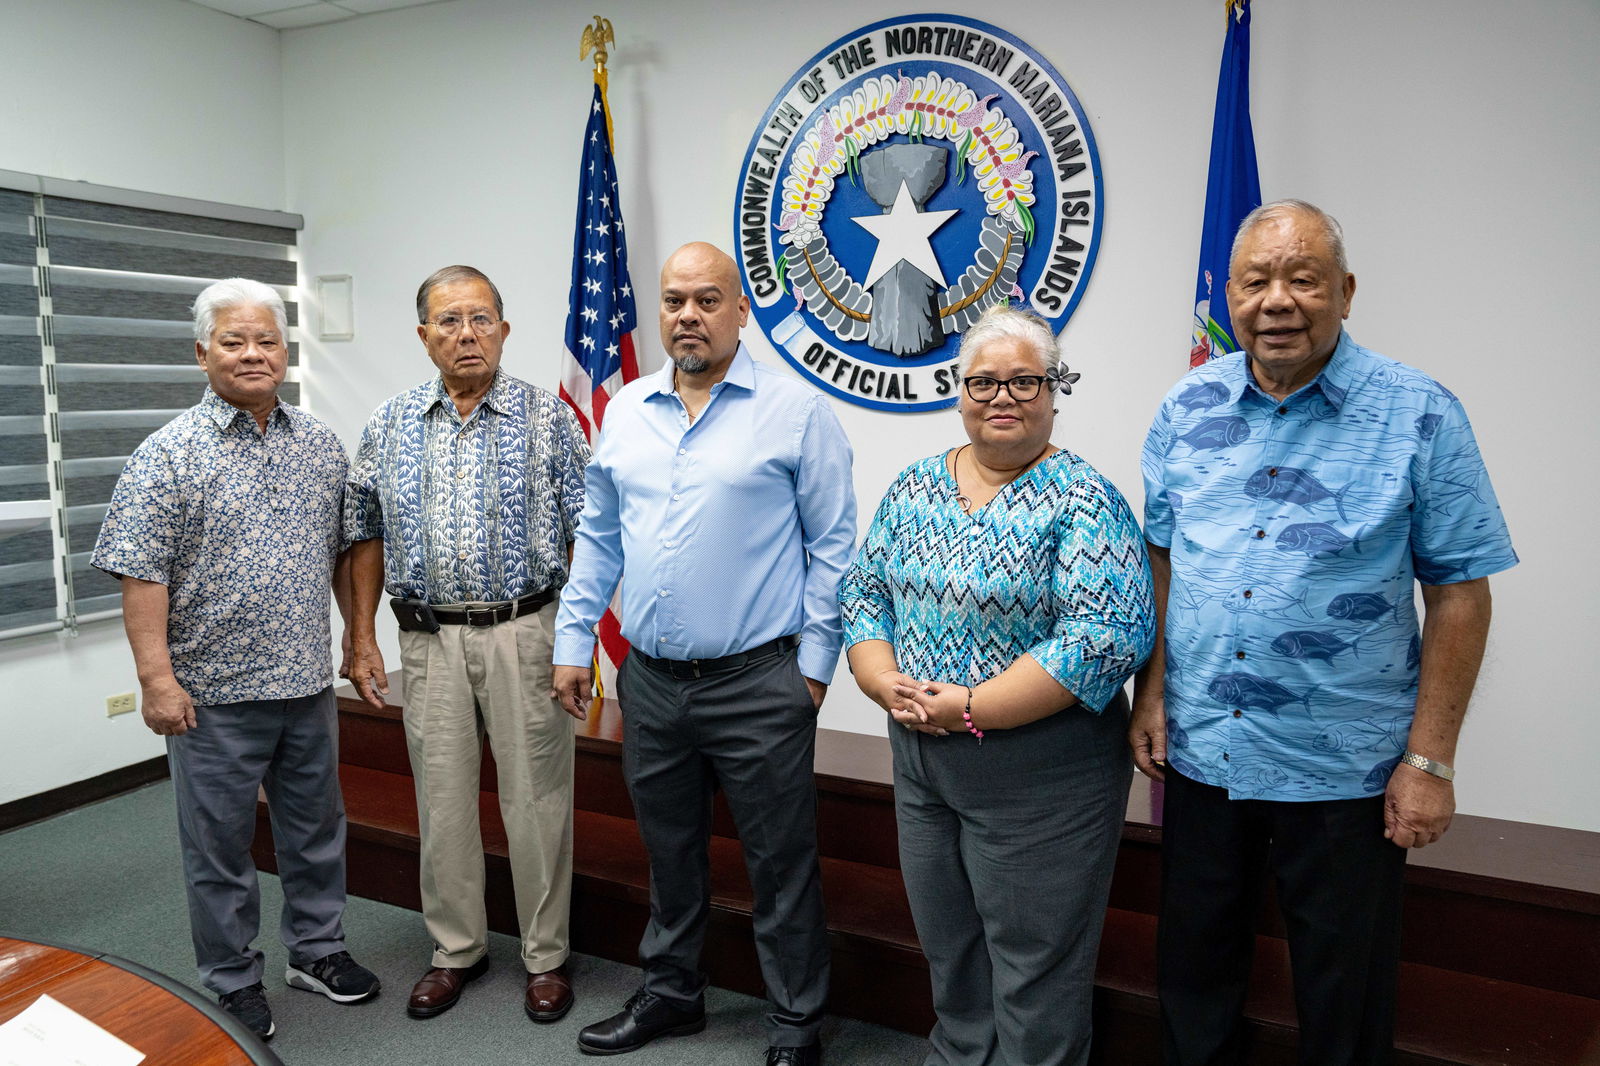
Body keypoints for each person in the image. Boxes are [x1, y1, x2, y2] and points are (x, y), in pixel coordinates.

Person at [1131, 200, 1518, 1065]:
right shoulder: (1186, 407)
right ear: (1228, 295)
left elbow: (1460, 593)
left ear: (1344, 291)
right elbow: (1160, 557)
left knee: (1344, 1001)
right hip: (1203, 752)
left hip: (1347, 766)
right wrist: (1149, 691)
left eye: (1303, 279)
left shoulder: (1421, 412)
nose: (1278, 300)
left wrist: (1429, 762)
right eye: (1257, 280)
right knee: (1195, 978)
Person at [551, 242, 855, 1065]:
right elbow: (600, 538)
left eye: (708, 299)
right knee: (670, 852)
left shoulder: (796, 412)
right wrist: (574, 640)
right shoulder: (627, 410)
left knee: (781, 864)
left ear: (741, 311)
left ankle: (796, 1023)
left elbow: (834, 547)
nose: (689, 314)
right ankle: (674, 994)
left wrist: (817, 668)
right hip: (650, 684)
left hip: (760, 683)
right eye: (675, 299)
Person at [838, 303, 1156, 1066]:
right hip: (922, 764)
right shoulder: (916, 486)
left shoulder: (1085, 498)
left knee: (1034, 972)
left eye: (1024, 380)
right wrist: (883, 680)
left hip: (1043, 779)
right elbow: (864, 594)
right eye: (985, 382)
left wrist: (972, 706)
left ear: (1054, 390)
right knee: (951, 954)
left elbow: (1106, 636)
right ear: (960, 389)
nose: (1002, 397)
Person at [92, 277, 379, 1040]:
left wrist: (357, 641)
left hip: (304, 686)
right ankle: (231, 978)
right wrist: (156, 680)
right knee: (218, 849)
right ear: (201, 353)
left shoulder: (319, 445)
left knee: (317, 833)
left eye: (267, 341)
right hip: (211, 697)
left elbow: (351, 550)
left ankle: (316, 952)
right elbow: (140, 573)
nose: (252, 354)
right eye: (233, 341)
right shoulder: (167, 455)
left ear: (285, 351)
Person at [343, 265, 590, 1023]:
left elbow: (591, 537)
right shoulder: (388, 425)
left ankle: (545, 958)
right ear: (424, 337)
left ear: (505, 330)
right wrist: (360, 638)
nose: (467, 334)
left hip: (527, 633)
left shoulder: (551, 420)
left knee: (537, 803)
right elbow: (364, 534)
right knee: (442, 803)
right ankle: (457, 950)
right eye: (448, 321)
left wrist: (581, 642)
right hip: (426, 640)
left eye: (481, 319)